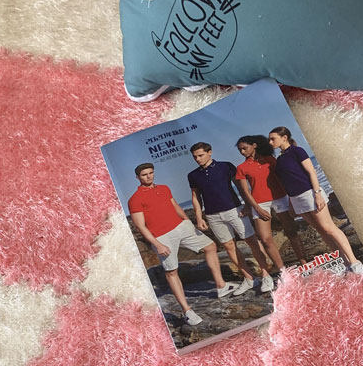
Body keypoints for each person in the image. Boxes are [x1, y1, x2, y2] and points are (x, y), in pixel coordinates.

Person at [128, 163, 232, 325]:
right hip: (162, 237)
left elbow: (175, 205)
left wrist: (187, 221)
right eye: (144, 175)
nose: (149, 176)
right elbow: (140, 226)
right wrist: (157, 244)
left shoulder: (164, 188)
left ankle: (221, 285)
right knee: (171, 272)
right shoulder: (135, 199)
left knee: (210, 246)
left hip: (181, 227)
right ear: (137, 177)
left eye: (151, 173)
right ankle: (187, 311)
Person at [268, 126, 363, 274]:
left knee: (329, 228)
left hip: (310, 194)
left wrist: (317, 194)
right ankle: (344, 264)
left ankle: (355, 262)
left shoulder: (297, 151)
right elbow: (286, 182)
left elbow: (312, 172)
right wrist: (291, 203)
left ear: (284, 138)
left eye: (272, 139)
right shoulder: (280, 160)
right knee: (321, 231)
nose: (270, 142)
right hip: (296, 199)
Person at [187, 142, 275, 297]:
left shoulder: (226, 166)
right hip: (213, 216)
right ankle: (249, 278)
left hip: (235, 210)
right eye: (195, 157)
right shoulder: (193, 175)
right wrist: (199, 217)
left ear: (210, 152)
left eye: (200, 155)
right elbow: (196, 197)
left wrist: (247, 205)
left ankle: (266, 275)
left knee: (252, 241)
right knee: (229, 247)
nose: (198, 159)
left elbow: (241, 187)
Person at [235, 135, 308, 275]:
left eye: (245, 148)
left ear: (254, 145)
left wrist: (291, 199)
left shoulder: (270, 160)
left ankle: (304, 263)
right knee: (265, 239)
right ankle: (283, 271)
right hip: (259, 203)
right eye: (240, 150)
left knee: (291, 231)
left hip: (280, 197)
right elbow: (245, 191)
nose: (242, 152)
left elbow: (283, 178)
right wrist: (257, 208)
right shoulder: (241, 168)